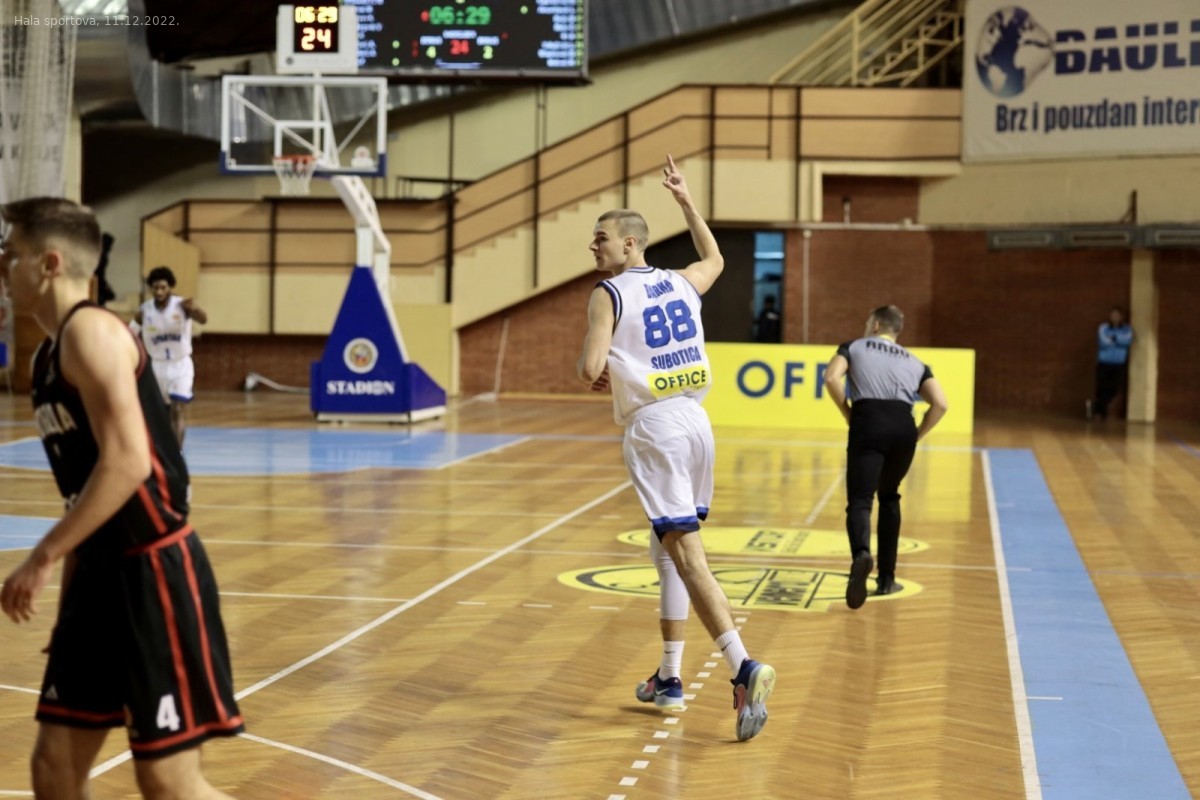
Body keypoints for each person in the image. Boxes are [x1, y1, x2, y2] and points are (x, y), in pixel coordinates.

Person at [0, 197, 242, 799]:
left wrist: (42, 556)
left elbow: (129, 461)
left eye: (12, 253)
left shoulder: (93, 333)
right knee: (54, 767)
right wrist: (69, 606)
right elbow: (83, 495)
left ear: (50, 263)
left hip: (152, 572)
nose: (3, 265)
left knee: (168, 781)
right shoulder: (47, 355)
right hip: (98, 579)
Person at [576, 155, 776, 742]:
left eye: (601, 238)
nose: (593, 246)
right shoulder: (682, 280)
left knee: (687, 555)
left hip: (655, 427)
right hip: (695, 422)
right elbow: (716, 259)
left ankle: (743, 666)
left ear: (630, 243)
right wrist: (687, 202)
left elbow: (588, 368)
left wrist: (600, 365)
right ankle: (668, 677)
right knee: (666, 546)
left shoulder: (607, 293)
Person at [822, 305, 948, 609]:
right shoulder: (916, 361)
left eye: (868, 322)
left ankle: (862, 554)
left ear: (876, 325)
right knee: (890, 497)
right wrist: (915, 435)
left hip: (868, 421)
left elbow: (831, 378)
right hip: (904, 427)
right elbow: (941, 404)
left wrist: (849, 412)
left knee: (861, 500)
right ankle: (887, 578)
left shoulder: (853, 347)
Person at [131, 266, 207, 445]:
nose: (159, 292)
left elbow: (204, 319)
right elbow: (129, 334)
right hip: (156, 366)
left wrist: (196, 309)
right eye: (155, 288)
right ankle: (163, 450)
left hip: (180, 365)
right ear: (151, 288)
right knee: (160, 413)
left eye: (163, 287)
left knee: (177, 408)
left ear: (170, 287)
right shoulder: (144, 311)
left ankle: (177, 453)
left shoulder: (182, 305)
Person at [1089, 306, 1133, 422]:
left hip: (1118, 363)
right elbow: (1103, 342)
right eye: (1113, 315)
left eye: (1117, 315)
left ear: (1121, 317)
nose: (1115, 317)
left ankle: (1098, 408)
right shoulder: (1103, 328)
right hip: (1104, 362)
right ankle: (1100, 413)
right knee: (1101, 388)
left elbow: (1127, 341)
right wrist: (1117, 340)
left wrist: (1114, 338)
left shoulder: (1127, 329)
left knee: (1114, 388)